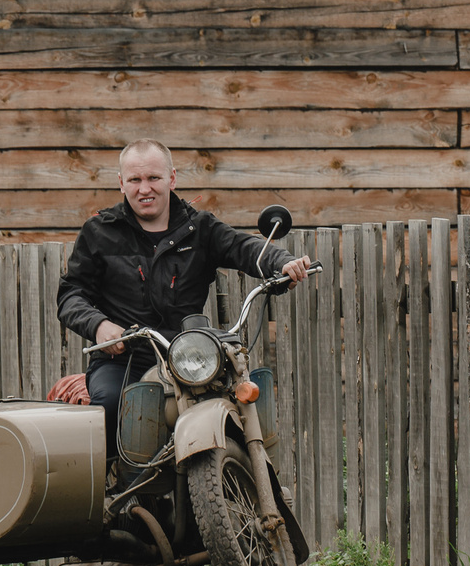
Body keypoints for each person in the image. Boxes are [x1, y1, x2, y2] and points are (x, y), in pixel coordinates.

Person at [55, 139, 313, 456]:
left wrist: (282, 263)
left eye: (154, 177)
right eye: (135, 179)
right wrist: (99, 325)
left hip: (191, 358)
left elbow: (243, 248)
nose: (144, 188)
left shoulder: (200, 227)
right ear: (122, 183)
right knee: (108, 407)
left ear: (172, 178)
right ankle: (112, 484)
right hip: (124, 359)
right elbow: (72, 293)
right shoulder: (99, 231)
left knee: (240, 404)